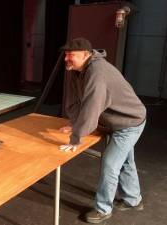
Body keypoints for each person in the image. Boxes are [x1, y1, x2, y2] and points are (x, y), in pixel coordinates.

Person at [60, 38, 146, 223]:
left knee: (110, 164)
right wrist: (75, 124)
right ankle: (133, 199)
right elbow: (75, 101)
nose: (66, 58)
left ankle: (103, 209)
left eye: (71, 55)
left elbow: (91, 106)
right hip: (115, 121)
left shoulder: (97, 73)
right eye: (66, 54)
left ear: (85, 54)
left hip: (129, 122)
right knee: (125, 162)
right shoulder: (78, 71)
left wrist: (76, 137)